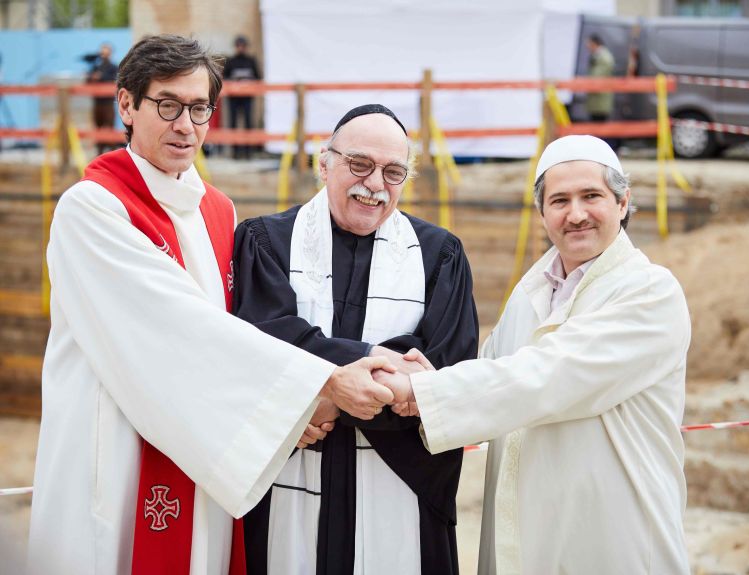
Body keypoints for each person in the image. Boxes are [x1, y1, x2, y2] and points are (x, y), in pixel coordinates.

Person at [27, 35, 398, 575]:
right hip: (114, 455)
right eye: (168, 105)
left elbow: (243, 328)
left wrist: (301, 400)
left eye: (199, 108)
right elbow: (179, 330)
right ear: (126, 104)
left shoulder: (217, 212)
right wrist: (316, 386)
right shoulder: (93, 208)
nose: (186, 125)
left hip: (202, 447)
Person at [378, 135, 691, 574]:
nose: (576, 214)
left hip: (617, 540)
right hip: (526, 538)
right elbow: (489, 373)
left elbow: (547, 375)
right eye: (559, 200)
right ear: (542, 213)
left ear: (623, 203)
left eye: (591, 196)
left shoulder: (650, 292)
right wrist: (408, 371)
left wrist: (419, 389)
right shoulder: (530, 296)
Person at [233, 104, 479, 574]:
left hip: (399, 480)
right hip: (292, 466)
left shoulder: (439, 256)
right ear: (323, 163)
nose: (374, 185)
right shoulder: (265, 242)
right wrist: (351, 372)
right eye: (359, 164)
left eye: (393, 172)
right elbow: (261, 338)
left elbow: (443, 367)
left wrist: (320, 396)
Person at [223, 35, 262, 159]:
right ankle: (235, 152)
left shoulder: (251, 61)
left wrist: (248, 83)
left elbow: (258, 77)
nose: (240, 48)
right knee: (233, 122)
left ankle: (248, 152)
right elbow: (224, 78)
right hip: (233, 97)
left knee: (248, 123)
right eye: (238, 46)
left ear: (246, 47)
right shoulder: (231, 61)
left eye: (243, 46)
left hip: (247, 97)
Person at [585, 34, 618, 149]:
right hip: (597, 99)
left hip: (600, 98)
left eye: (589, 43)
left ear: (595, 43)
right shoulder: (599, 56)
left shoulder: (603, 57)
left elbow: (596, 77)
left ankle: (603, 149)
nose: (587, 46)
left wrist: (587, 82)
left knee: (600, 126)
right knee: (597, 126)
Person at [86, 42, 119, 155]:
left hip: (108, 102)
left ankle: (113, 154)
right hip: (97, 101)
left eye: (106, 51)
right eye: (102, 51)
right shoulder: (95, 67)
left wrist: (101, 77)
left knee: (109, 128)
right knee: (98, 128)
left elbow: (115, 81)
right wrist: (91, 77)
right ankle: (99, 153)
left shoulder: (114, 67)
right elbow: (87, 81)